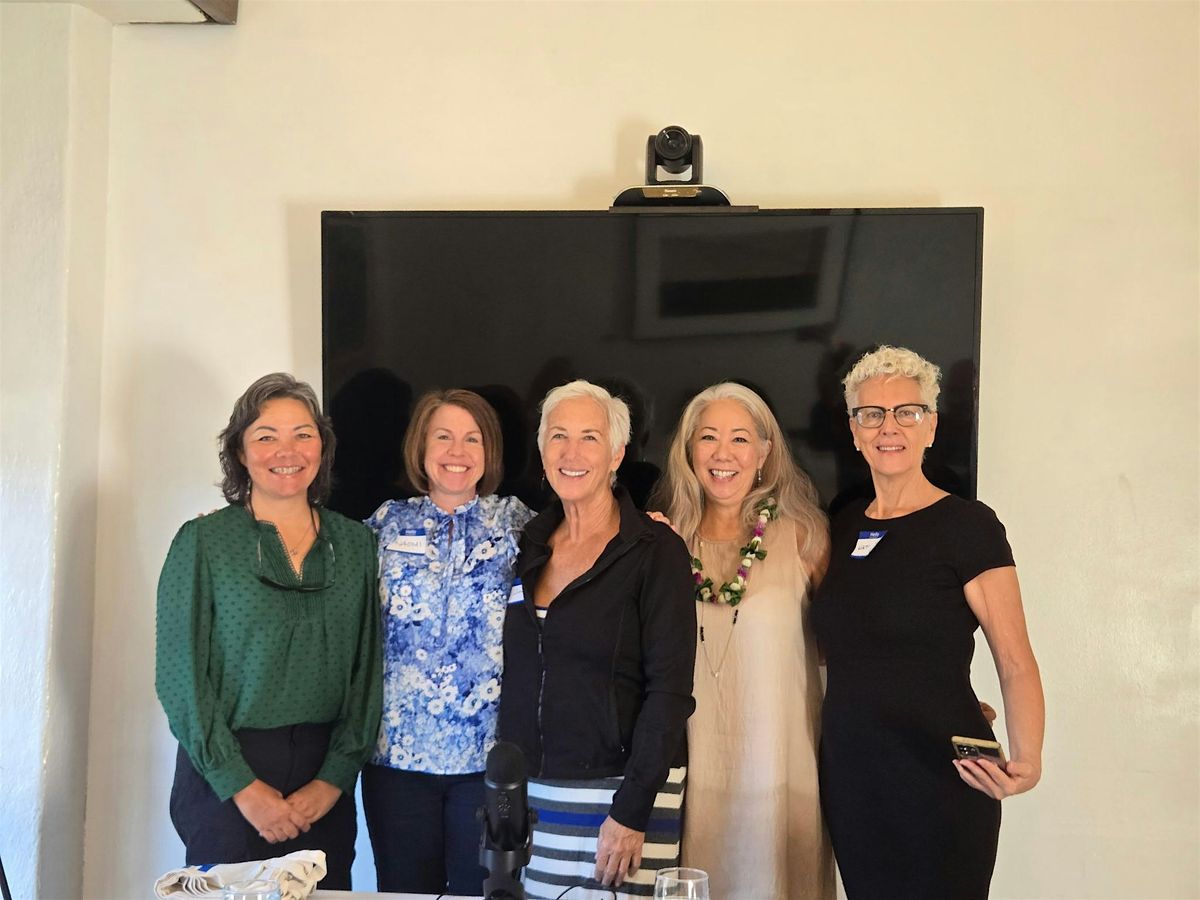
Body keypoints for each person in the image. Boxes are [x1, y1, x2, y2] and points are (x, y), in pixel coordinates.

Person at [811, 345, 1045, 899]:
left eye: (907, 412)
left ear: (931, 426)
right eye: (872, 413)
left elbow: (1014, 659)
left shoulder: (968, 526)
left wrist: (1028, 758)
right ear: (854, 430)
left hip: (942, 773)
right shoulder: (840, 528)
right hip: (853, 775)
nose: (889, 427)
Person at [155, 373, 382, 890]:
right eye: (266, 436)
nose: (287, 451)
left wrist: (333, 781)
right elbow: (179, 678)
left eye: (303, 434)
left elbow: (367, 672)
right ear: (239, 451)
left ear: (322, 447)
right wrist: (243, 788)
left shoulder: (356, 545)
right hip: (226, 779)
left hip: (324, 777)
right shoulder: (203, 542)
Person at [499, 380, 696, 900]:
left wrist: (631, 811)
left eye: (589, 437)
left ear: (616, 454)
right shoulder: (530, 543)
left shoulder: (655, 549)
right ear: (542, 452)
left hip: (624, 793)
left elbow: (670, 691)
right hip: (537, 791)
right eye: (558, 436)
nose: (571, 452)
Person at [653, 382, 835, 900]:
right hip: (693, 776)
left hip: (781, 772)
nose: (723, 453)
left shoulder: (803, 536)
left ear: (764, 452)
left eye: (739, 438)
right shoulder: (663, 541)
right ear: (689, 451)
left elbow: (852, 646)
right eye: (708, 437)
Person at [361, 389, 533, 895]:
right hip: (396, 758)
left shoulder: (518, 524)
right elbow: (321, 556)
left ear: (489, 451)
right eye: (443, 437)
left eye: (472, 439)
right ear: (421, 447)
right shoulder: (387, 523)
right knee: (404, 890)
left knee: (482, 893)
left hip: (488, 761)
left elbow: (588, 543)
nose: (457, 451)